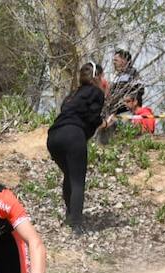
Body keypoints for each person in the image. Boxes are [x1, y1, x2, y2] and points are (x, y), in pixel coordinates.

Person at [44, 65, 104, 231]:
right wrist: (102, 122)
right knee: (78, 180)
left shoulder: (72, 95)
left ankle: (70, 216)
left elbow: (72, 112)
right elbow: (92, 118)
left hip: (53, 137)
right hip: (73, 135)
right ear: (97, 76)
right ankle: (76, 224)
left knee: (69, 175)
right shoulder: (96, 93)